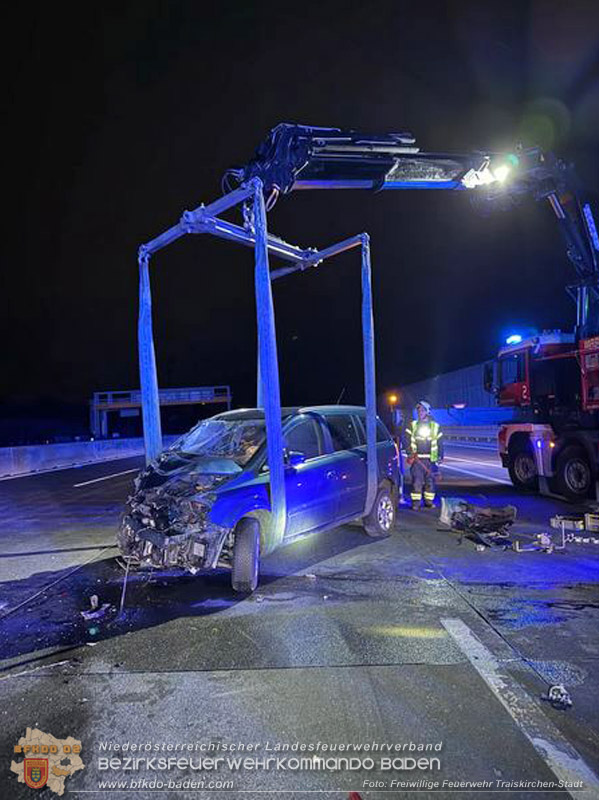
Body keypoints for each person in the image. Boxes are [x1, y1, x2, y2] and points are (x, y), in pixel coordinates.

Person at [406, 400, 443, 509]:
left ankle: (429, 502)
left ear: (427, 412)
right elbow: (407, 440)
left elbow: (440, 442)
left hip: (431, 460)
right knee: (416, 482)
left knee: (430, 482)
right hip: (417, 459)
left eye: (422, 410)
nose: (420, 412)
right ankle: (416, 504)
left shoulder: (435, 426)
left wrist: (441, 455)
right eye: (418, 410)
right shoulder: (413, 425)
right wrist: (410, 453)